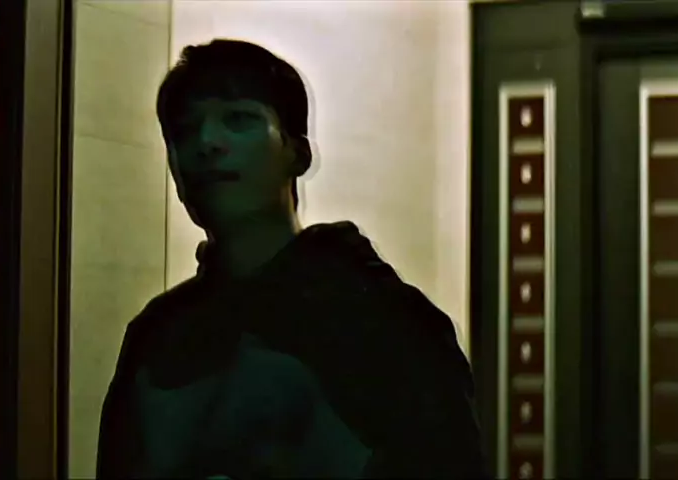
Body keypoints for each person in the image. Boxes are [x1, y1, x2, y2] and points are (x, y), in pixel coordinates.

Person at [96, 38, 487, 479]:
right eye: (185, 131)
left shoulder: (384, 321)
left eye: (238, 119)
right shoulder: (157, 334)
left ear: (297, 153)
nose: (206, 143)